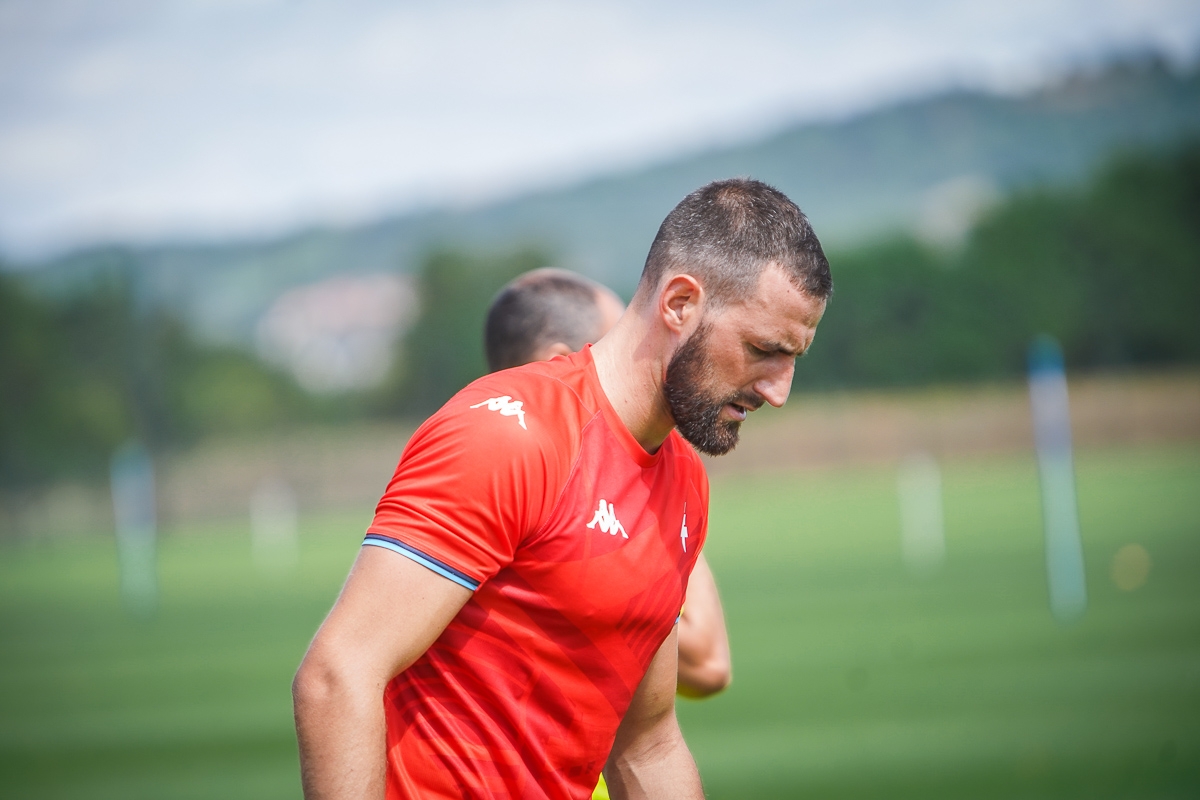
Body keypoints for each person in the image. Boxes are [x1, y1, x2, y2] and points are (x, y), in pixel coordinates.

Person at [293, 178, 832, 800]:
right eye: (762, 349)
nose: (778, 390)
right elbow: (338, 676)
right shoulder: (509, 435)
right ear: (680, 302)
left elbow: (646, 743)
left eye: (794, 358)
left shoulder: (683, 479)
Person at [484, 267, 733, 700]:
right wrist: (657, 492)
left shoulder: (489, 447)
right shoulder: (536, 474)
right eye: (614, 342)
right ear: (556, 360)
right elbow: (707, 662)